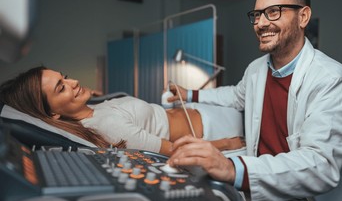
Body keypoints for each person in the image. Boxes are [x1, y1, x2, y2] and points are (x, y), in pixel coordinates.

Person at [166, 0, 342, 201]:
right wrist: (189, 95)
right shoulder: (256, 69)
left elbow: (321, 166)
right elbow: (234, 95)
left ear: (303, 16)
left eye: (274, 12)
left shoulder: (331, 79)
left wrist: (230, 168)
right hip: (266, 189)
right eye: (257, 15)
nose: (261, 23)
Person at [0, 66, 245, 156]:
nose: (73, 81)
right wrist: (226, 144)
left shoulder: (95, 109)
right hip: (214, 128)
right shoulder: (105, 127)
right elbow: (173, 151)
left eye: (65, 76)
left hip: (199, 111)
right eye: (61, 87)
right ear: (52, 114)